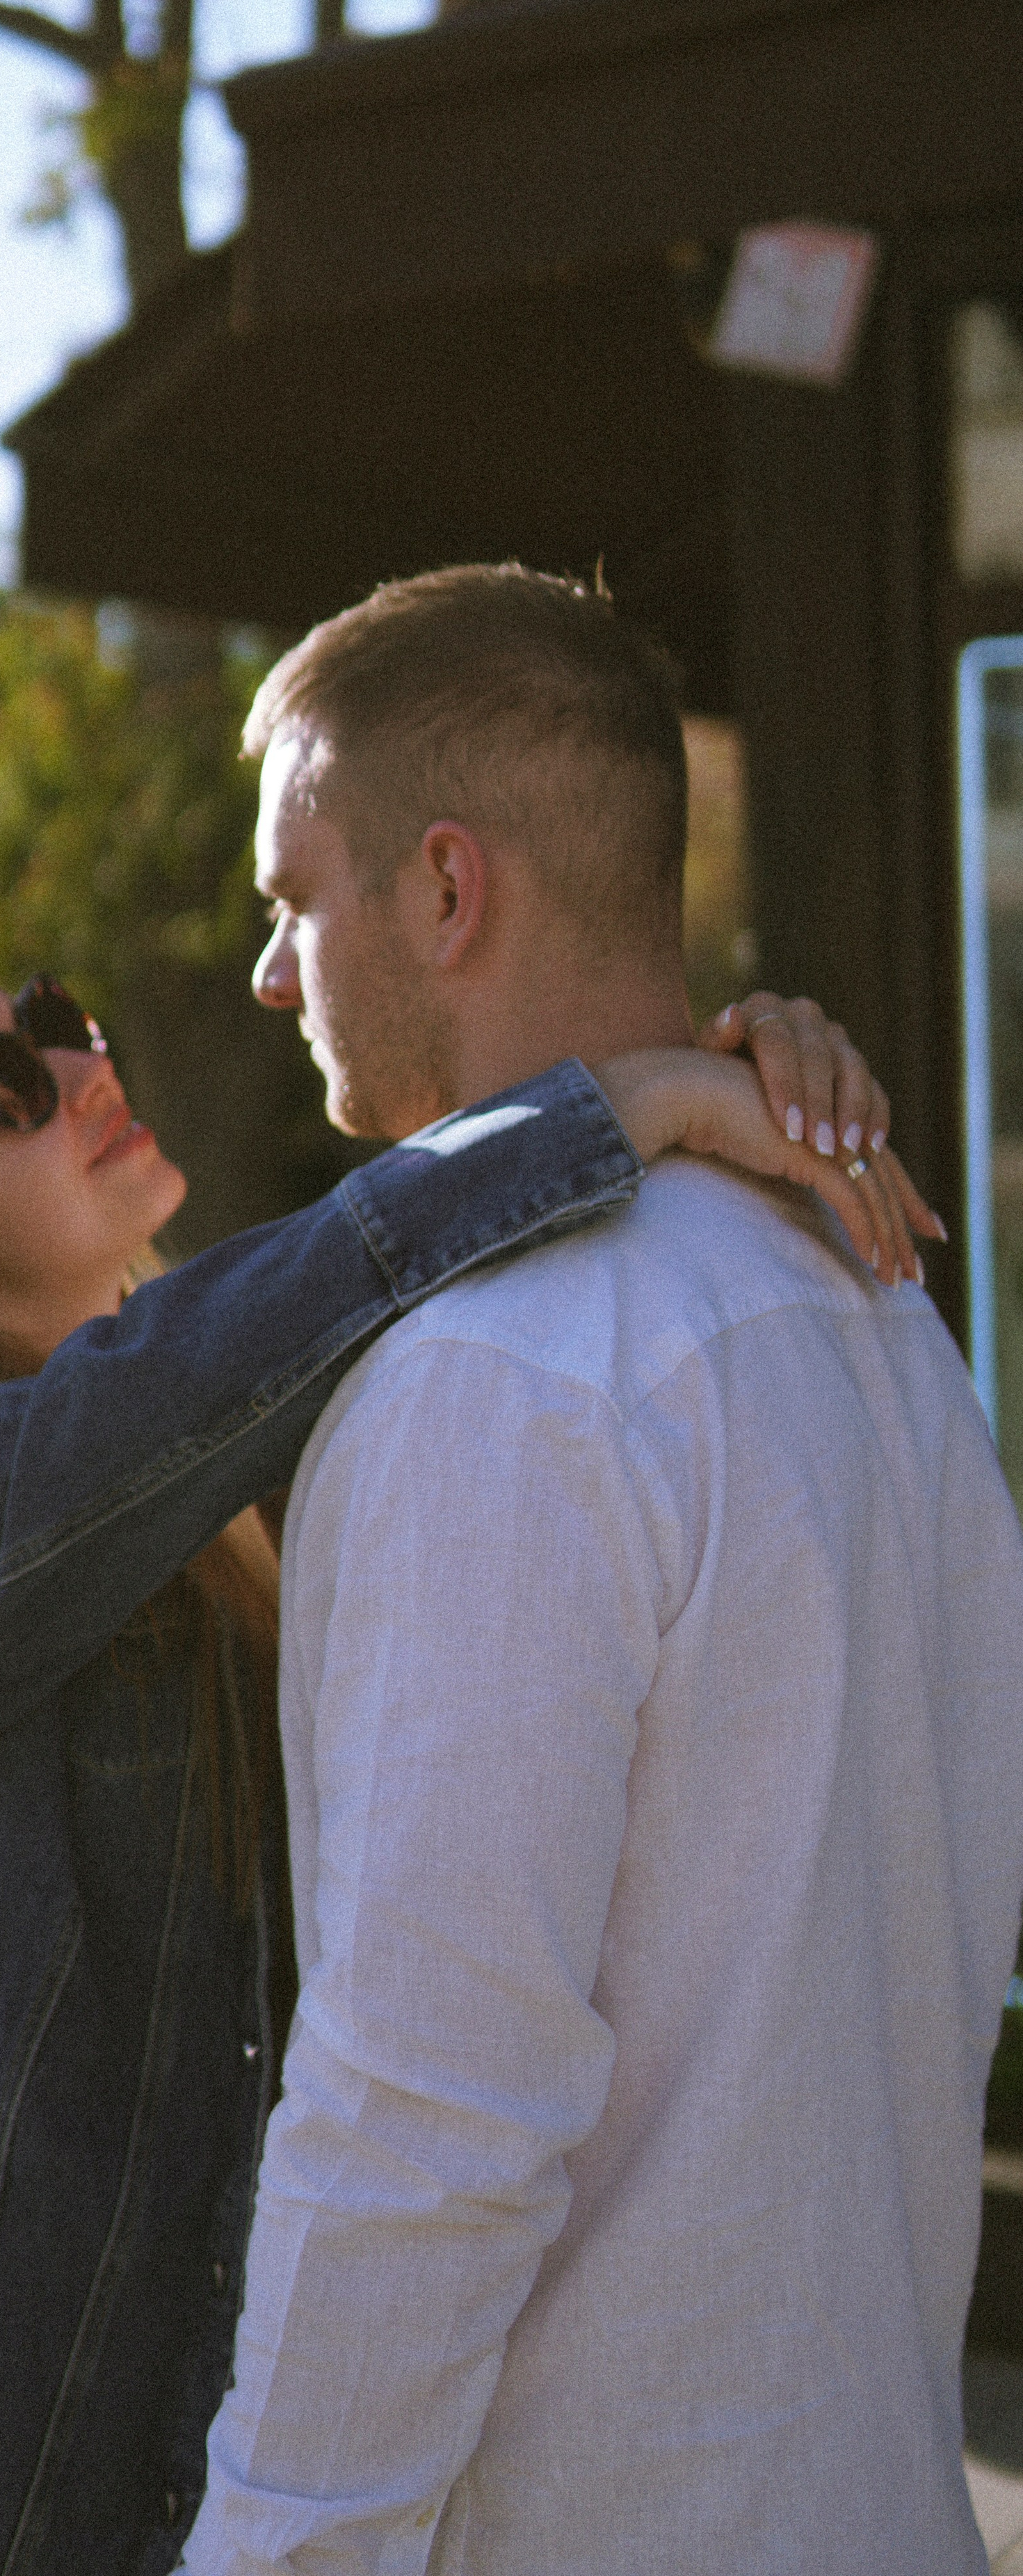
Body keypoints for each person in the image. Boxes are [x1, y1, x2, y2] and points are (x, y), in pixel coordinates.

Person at [0, 918, 921, 2576]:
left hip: (146, 2478)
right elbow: (219, 1354)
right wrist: (616, 1103)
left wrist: (729, 1066)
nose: (76, 1068)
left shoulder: (204, 1454)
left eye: (52, 1014)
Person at [179, 564, 1023, 2575]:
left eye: (298, 899)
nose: (274, 976)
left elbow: (421, 2116)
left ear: (448, 892)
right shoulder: (882, 1305)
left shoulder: (494, 1373)